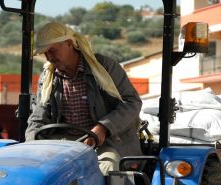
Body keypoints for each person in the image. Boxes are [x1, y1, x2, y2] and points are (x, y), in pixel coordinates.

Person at [25, 22, 142, 174]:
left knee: (107, 168)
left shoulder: (104, 68)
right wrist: (29, 147)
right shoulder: (48, 78)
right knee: (42, 171)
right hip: (64, 144)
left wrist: (103, 128)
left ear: (68, 44)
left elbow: (132, 103)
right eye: (45, 53)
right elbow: (38, 118)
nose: (49, 57)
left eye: (52, 50)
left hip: (107, 142)